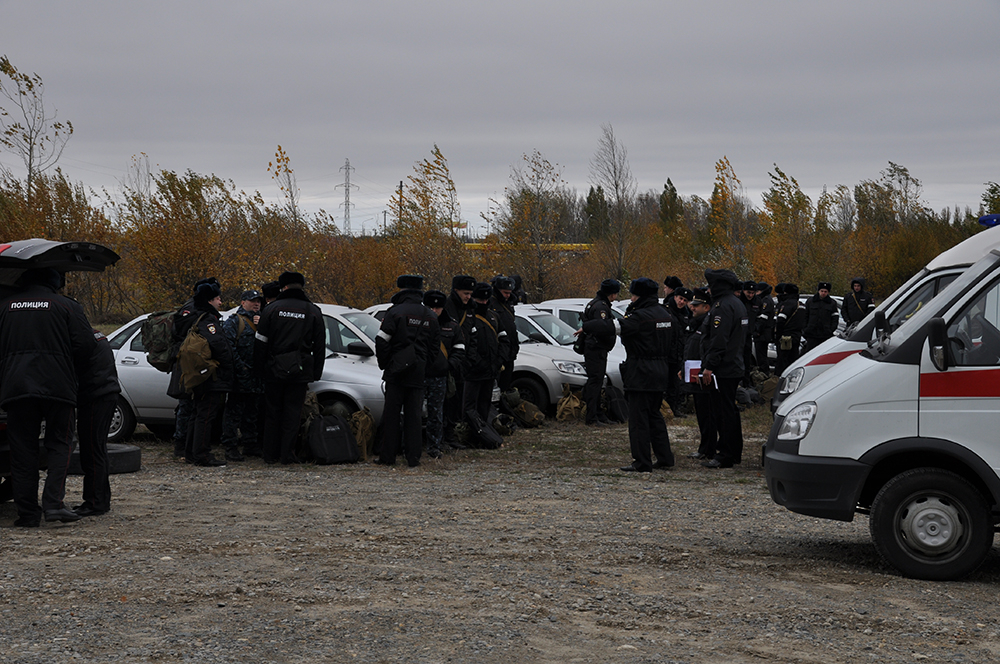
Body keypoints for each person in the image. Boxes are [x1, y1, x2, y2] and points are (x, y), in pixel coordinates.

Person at [0, 267, 98, 526]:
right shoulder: (67, 306)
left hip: (16, 387)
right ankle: (54, 504)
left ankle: (27, 514)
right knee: (61, 443)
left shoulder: (4, 306)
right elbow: (87, 346)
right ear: (54, 281)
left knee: (22, 451)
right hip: (58, 387)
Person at [584, 277, 675, 473]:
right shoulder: (665, 314)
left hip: (641, 371)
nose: (631, 299)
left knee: (638, 419)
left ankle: (642, 461)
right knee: (654, 415)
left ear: (640, 295)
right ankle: (665, 457)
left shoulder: (640, 317)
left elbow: (612, 327)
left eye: (633, 294)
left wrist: (588, 326)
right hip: (661, 370)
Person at [253, 271, 325, 464]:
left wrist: (259, 370)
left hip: (273, 369)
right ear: (301, 286)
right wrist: (315, 373)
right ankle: (287, 454)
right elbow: (319, 346)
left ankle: (270, 454)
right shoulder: (313, 311)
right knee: (293, 414)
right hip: (300, 371)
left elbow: (260, 342)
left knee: (272, 412)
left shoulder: (271, 309)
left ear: (283, 287)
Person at [375, 274, 439, 467]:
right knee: (414, 417)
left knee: (392, 416)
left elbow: (381, 340)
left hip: (396, 372)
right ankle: (413, 458)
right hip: (418, 373)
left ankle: (388, 456)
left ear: (402, 291)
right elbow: (435, 348)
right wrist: (424, 365)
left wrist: (387, 364)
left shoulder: (395, 312)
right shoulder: (430, 315)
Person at [183, 280, 236, 467]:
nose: (220, 303)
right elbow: (218, 345)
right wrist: (229, 365)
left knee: (197, 413)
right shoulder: (208, 320)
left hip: (200, 375)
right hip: (211, 376)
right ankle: (202, 455)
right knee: (205, 416)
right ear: (209, 300)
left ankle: (191, 452)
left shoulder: (197, 317)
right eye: (217, 299)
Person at [699, 269, 748, 469]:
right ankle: (733, 451)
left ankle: (726, 453)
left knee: (723, 411)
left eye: (711, 285)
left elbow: (719, 340)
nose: (709, 289)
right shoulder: (737, 303)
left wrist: (709, 366)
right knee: (730, 410)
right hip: (733, 365)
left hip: (723, 368)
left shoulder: (722, 307)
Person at [74, 326, 121, 517]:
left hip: (95, 396)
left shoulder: (82, 340)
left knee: (92, 451)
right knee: (98, 449)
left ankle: (95, 502)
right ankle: (100, 499)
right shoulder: (95, 335)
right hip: (105, 393)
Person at [220, 289, 265, 461]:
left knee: (252, 413)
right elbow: (229, 348)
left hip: (256, 377)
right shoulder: (234, 322)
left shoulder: (262, 320)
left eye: (258, 301)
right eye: (252, 301)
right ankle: (230, 446)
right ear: (243, 302)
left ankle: (250, 444)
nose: (256, 304)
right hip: (240, 377)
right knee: (233, 413)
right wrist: (241, 368)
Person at [422, 289, 464, 459]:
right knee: (414, 411)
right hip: (420, 374)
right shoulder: (420, 323)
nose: (434, 311)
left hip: (440, 376)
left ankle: (434, 446)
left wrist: (449, 366)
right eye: (431, 307)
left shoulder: (452, 326)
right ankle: (412, 444)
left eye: (437, 308)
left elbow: (460, 349)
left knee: (436, 413)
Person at [462, 281, 509, 427]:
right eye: (480, 300)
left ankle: (484, 431)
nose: (483, 302)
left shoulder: (493, 317)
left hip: (491, 369)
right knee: (469, 406)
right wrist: (474, 363)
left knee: (485, 404)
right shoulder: (468, 317)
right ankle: (470, 431)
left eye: (486, 300)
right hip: (473, 372)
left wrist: (499, 360)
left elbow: (504, 340)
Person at [680, 287, 718, 460]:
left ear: (706, 307)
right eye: (692, 304)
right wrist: (684, 368)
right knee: (701, 413)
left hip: (704, 375)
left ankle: (709, 448)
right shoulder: (694, 323)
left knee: (708, 413)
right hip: (693, 373)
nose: (692, 307)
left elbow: (709, 350)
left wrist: (705, 370)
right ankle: (704, 447)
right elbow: (690, 349)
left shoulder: (707, 325)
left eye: (696, 305)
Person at [580, 278, 620, 426]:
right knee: (595, 382)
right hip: (596, 349)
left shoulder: (595, 303)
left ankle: (597, 413)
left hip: (596, 349)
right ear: (612, 294)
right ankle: (592, 417)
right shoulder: (601, 307)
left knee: (597, 382)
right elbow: (601, 328)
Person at [443, 274, 476, 447]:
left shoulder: (470, 309)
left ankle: (451, 434)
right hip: (450, 363)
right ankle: (445, 436)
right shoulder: (446, 307)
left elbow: (473, 336)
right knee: (447, 401)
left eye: (470, 293)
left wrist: (469, 360)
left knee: (456, 403)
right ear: (456, 291)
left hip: (463, 364)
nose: (468, 297)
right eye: (465, 293)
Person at [489, 276, 519, 393]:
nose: (507, 295)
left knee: (506, 386)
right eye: (505, 292)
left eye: (509, 293)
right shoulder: (491, 303)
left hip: (509, 352)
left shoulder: (509, 304)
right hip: (498, 353)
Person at [666, 286, 692, 416]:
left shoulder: (686, 314)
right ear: (675, 297)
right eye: (680, 298)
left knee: (675, 384)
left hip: (679, 354)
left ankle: (675, 407)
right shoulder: (666, 311)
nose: (681, 302)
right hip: (667, 354)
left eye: (685, 300)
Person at [773, 283, 804, 376]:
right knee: (793, 360)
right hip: (797, 336)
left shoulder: (787, 304)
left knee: (782, 361)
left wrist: (777, 335)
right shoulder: (801, 305)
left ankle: (778, 381)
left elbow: (780, 321)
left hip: (786, 337)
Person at [803, 281, 840, 353]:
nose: (823, 293)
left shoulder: (832, 303)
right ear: (818, 291)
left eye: (825, 291)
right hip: (811, 334)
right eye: (822, 291)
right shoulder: (810, 301)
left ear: (828, 292)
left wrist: (830, 330)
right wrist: (805, 329)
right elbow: (805, 316)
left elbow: (835, 318)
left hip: (825, 334)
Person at [738, 280, 760, 386]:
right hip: (737, 335)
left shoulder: (757, 302)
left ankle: (746, 382)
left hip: (748, 335)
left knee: (747, 360)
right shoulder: (738, 301)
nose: (750, 295)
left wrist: (755, 329)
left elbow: (760, 318)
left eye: (752, 293)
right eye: (748, 292)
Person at [754, 282, 775, 374]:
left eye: (757, 291)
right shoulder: (766, 299)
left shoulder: (765, 300)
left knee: (761, 355)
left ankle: (764, 373)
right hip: (764, 331)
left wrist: (757, 329)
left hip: (763, 332)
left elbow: (763, 317)